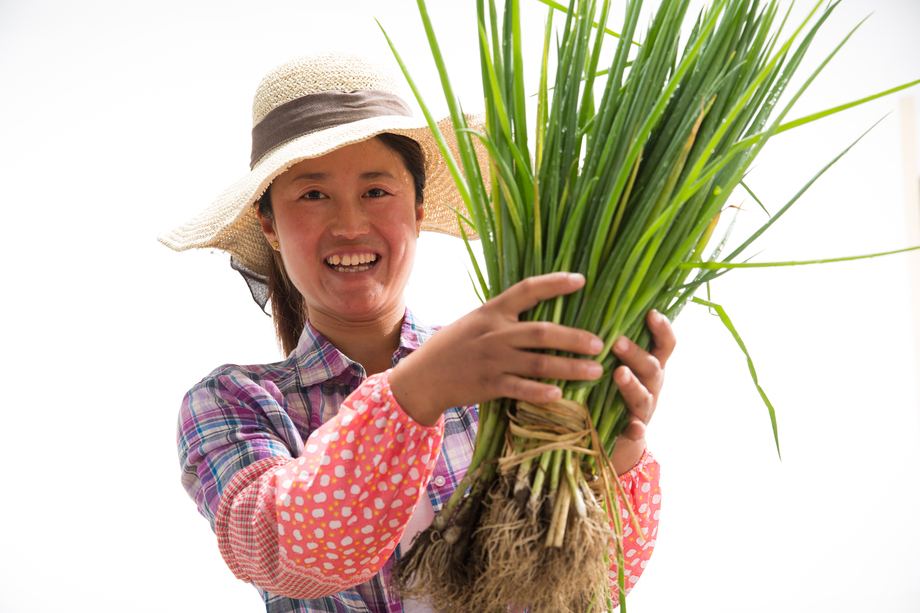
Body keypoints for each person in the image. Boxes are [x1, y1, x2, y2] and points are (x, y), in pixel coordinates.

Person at [160, 51, 675, 613]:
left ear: (419, 207)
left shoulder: (504, 370)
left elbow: (589, 580)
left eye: (377, 191)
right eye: (313, 194)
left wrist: (619, 445)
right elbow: (284, 546)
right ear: (270, 225)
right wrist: (418, 393)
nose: (350, 224)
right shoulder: (233, 402)